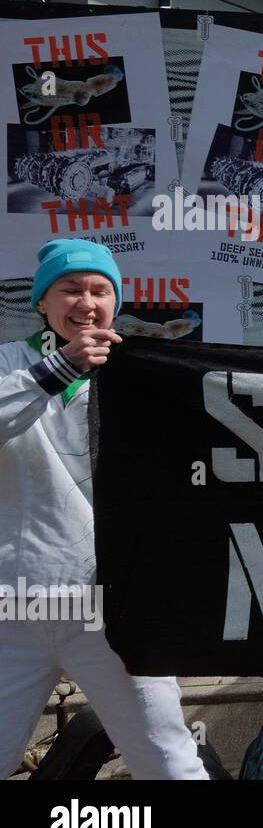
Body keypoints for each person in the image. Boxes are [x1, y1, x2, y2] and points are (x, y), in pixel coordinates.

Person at [0, 239, 208, 779]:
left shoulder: (145, 373)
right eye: (70, 289)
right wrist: (58, 370)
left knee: (168, 761)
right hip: (12, 608)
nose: (86, 302)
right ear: (42, 302)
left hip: (110, 608)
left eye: (100, 290)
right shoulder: (8, 362)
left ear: (117, 304)